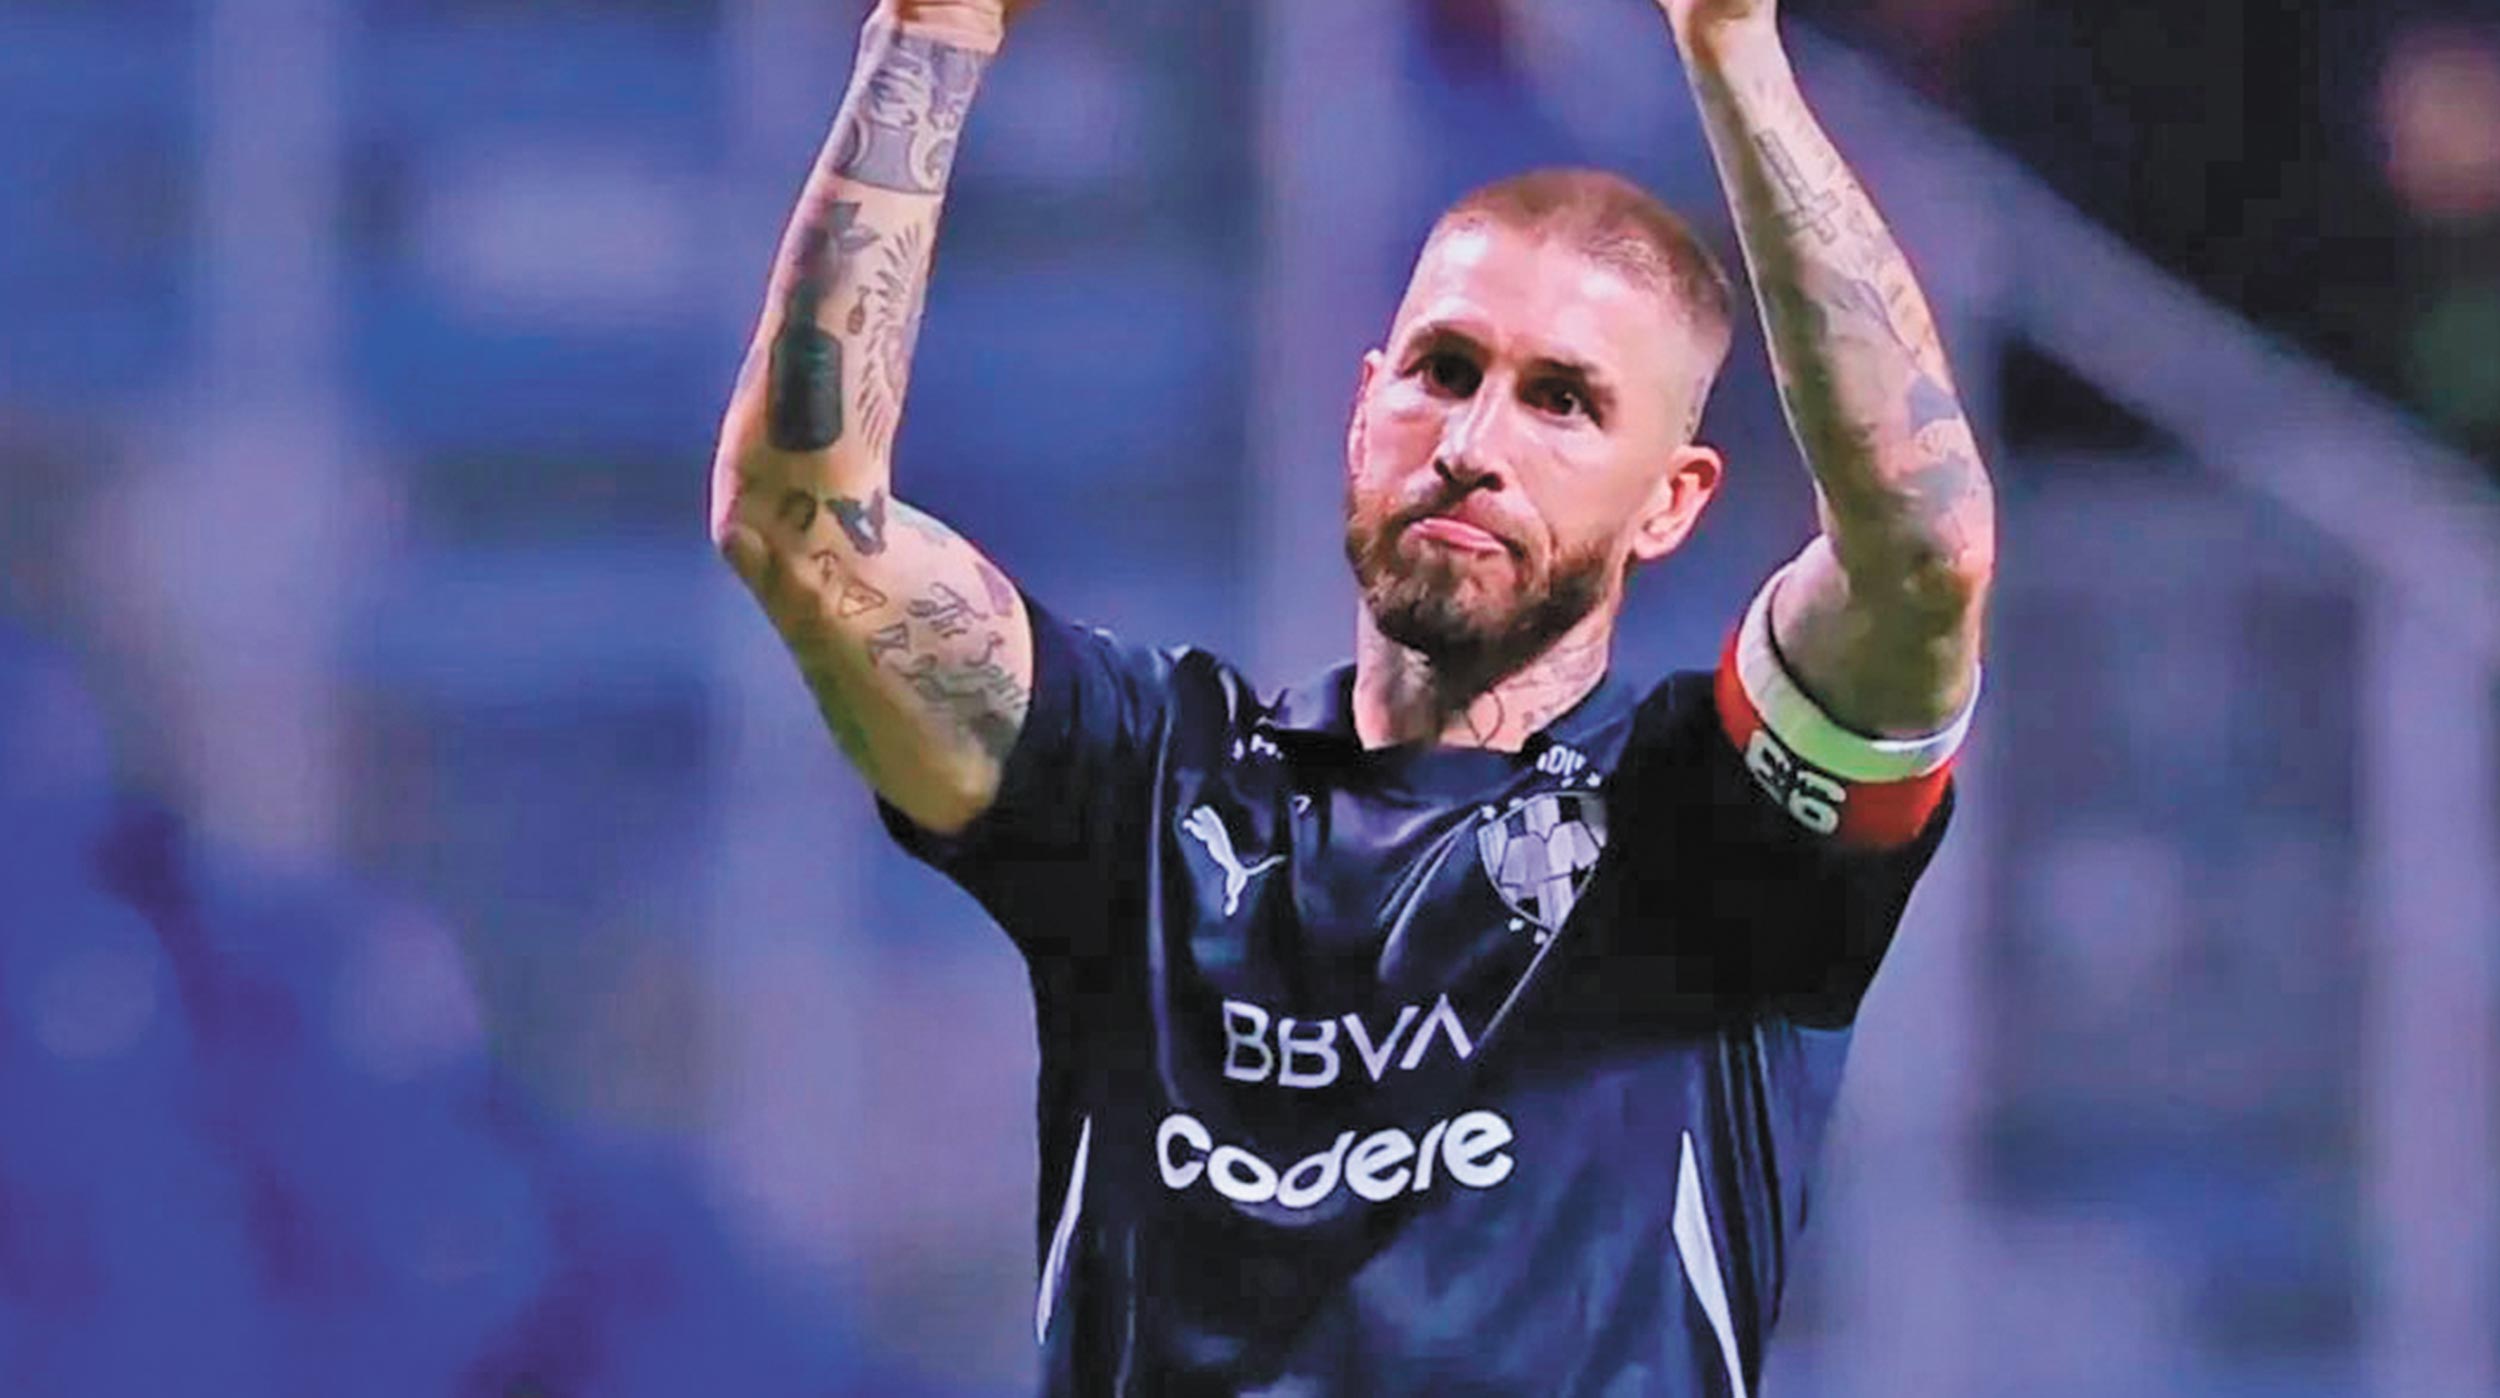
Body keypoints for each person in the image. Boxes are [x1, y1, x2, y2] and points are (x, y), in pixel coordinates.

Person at [710, 0, 1994, 1390]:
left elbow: (1925, 549)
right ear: (1363, 406)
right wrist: (932, 27)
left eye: (1563, 402)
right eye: (1445, 372)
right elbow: (799, 523)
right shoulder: (1145, 789)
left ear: (1672, 503)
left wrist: (1733, 48)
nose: (1474, 442)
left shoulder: (1715, 826)